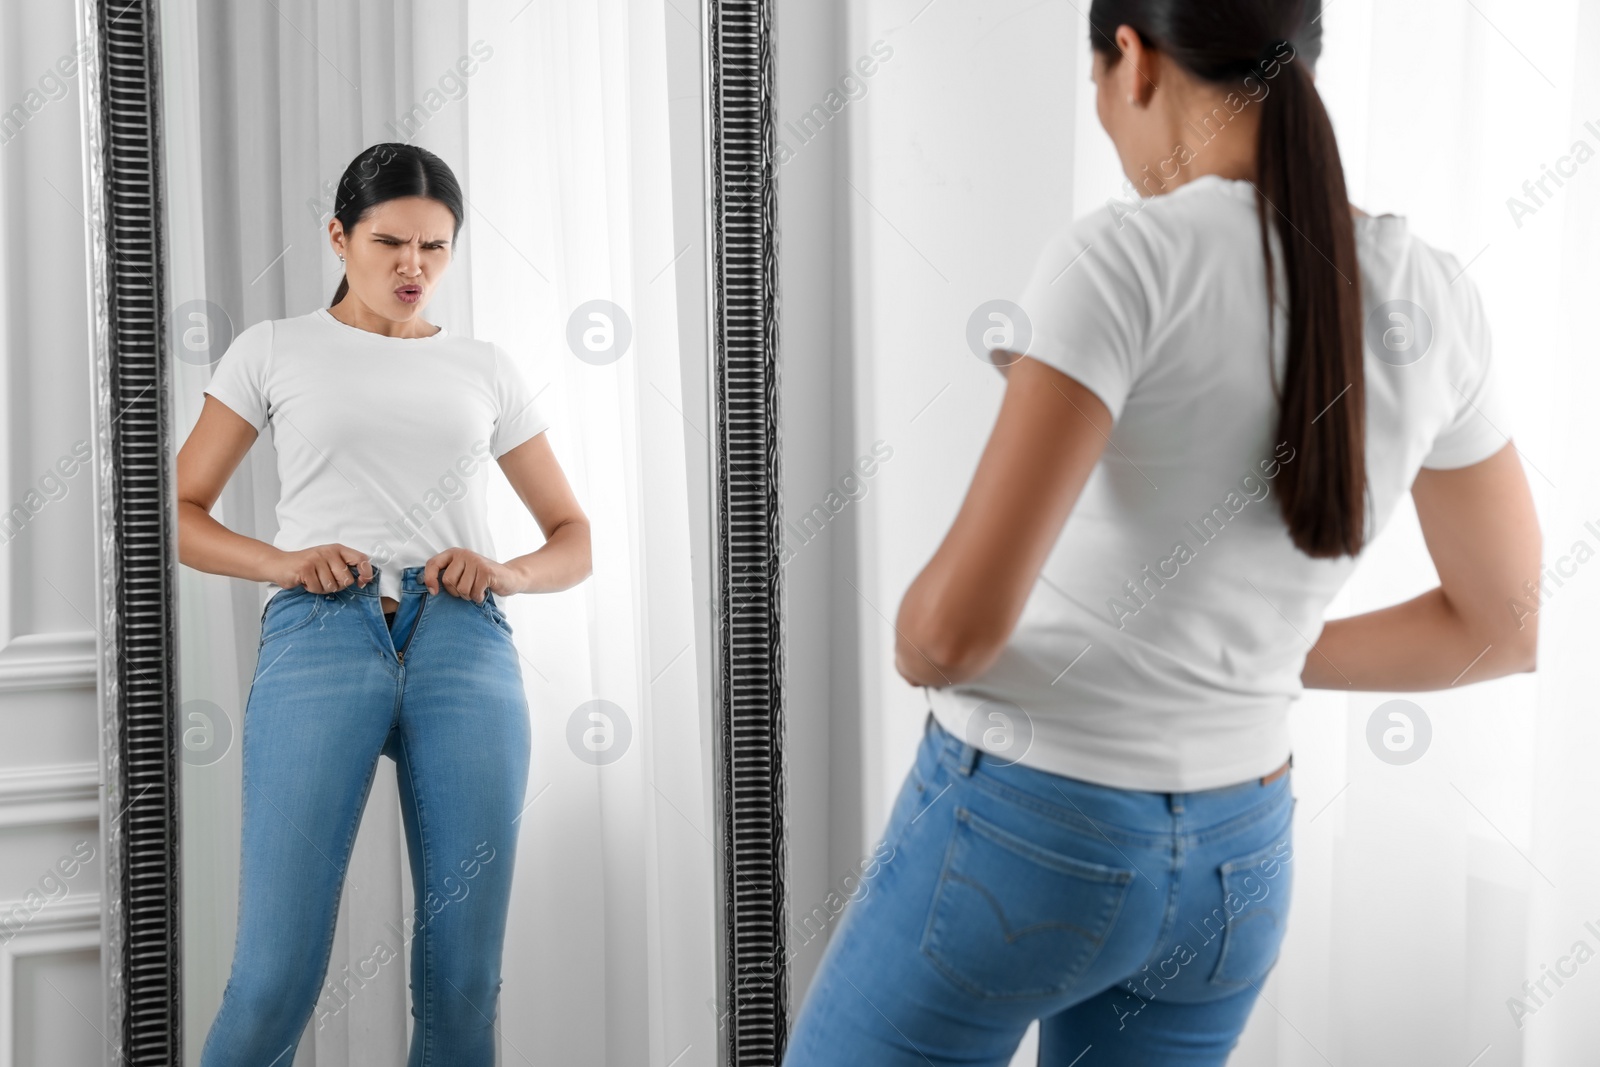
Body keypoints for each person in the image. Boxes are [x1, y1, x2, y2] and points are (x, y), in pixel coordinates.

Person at [781, 3, 1540, 1064]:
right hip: (1237, 865)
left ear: (1131, 60)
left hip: (1026, 834)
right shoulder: (1432, 291)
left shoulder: (1122, 258)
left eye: (1096, 85)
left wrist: (939, 585)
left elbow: (942, 638)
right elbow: (1499, 625)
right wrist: (1239, 652)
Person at [177, 142, 592, 1066]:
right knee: (273, 974)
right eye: (391, 242)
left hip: (465, 644)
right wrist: (284, 561)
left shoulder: (486, 367)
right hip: (321, 633)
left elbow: (573, 534)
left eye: (435, 249)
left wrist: (505, 572)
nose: (414, 267)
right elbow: (179, 516)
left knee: (464, 984)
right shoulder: (274, 349)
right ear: (339, 236)